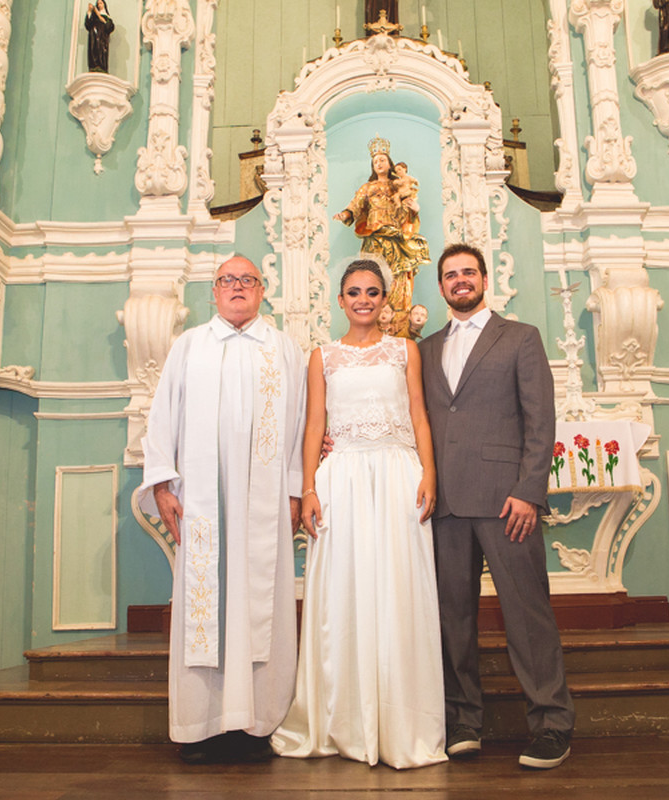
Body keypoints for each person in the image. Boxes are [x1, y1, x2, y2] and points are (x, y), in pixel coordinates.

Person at [271, 257, 446, 769]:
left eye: (372, 291)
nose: (364, 299)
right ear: (341, 300)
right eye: (354, 292)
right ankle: (340, 717)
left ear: (384, 298)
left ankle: (401, 720)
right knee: (343, 591)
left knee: (398, 587)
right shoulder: (322, 356)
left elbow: (419, 413)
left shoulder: (405, 351)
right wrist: (307, 489)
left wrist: (428, 473)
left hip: (397, 476)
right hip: (341, 478)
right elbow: (312, 426)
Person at [138, 255, 306, 762]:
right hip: (202, 501)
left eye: (247, 281)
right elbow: (162, 415)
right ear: (214, 292)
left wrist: (295, 491)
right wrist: (164, 485)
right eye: (228, 281)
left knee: (262, 602)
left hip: (266, 500)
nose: (238, 288)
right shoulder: (189, 346)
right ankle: (200, 726)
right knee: (204, 606)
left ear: (261, 291)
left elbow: (299, 424)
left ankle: (256, 725)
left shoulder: (284, 349)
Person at [418, 243, 575, 770]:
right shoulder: (424, 348)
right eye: (450, 275)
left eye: (468, 272)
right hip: (444, 506)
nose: (460, 281)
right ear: (440, 287)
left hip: (508, 501)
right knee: (453, 618)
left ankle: (551, 723)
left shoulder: (520, 337)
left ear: (484, 279)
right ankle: (464, 721)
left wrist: (530, 490)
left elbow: (540, 420)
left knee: (527, 615)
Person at [334, 138, 430, 337]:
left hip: (396, 242)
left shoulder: (399, 187)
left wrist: (415, 210)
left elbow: (408, 210)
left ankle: (401, 330)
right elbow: (355, 205)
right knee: (373, 282)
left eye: (383, 160)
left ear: (390, 163)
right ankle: (374, 328)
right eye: (375, 161)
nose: (379, 163)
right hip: (375, 241)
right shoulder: (367, 188)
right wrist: (345, 214)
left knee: (399, 282)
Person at [86, 1, 115, 73]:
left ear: (104, 5)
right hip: (94, 35)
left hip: (102, 37)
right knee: (93, 49)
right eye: (98, 4)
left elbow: (110, 27)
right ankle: (94, 65)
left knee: (101, 50)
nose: (99, 5)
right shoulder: (94, 16)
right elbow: (88, 25)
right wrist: (89, 12)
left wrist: (100, 16)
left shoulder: (107, 16)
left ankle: (101, 66)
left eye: (101, 3)